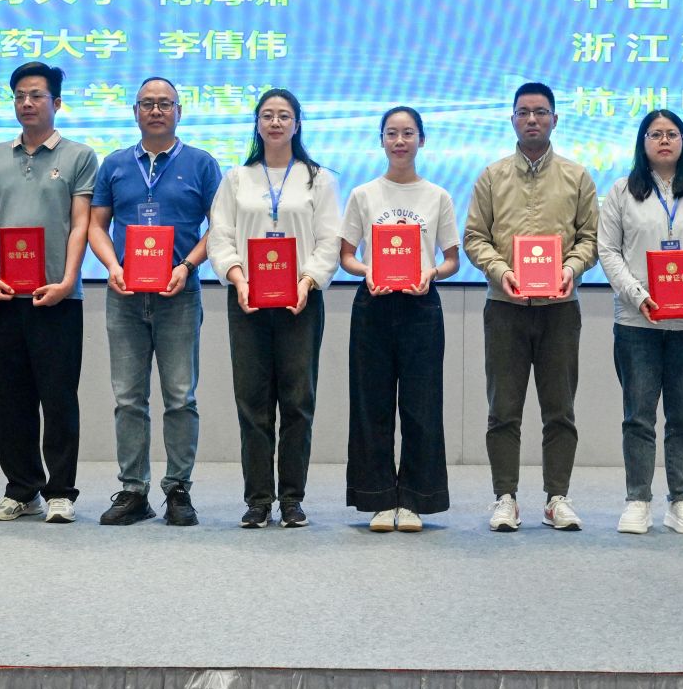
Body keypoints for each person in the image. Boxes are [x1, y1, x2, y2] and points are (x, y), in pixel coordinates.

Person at [462, 82, 600, 532]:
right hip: (505, 306)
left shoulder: (577, 176)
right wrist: (500, 269)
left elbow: (591, 239)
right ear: (512, 120)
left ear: (555, 119)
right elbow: (474, 237)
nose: (532, 119)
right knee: (503, 409)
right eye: (523, 112)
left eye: (541, 112)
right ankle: (505, 498)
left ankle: (557, 498)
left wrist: (570, 268)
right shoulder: (492, 176)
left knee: (560, 409)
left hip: (560, 308)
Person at [86, 77, 222, 529]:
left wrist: (187, 265)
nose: (157, 110)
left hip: (179, 293)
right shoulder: (115, 164)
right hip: (125, 294)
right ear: (135, 112)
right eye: (148, 103)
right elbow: (96, 225)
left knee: (181, 397)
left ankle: (178, 489)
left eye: (165, 103)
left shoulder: (202, 163)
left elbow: (219, 228)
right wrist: (112, 266)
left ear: (179, 111)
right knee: (129, 398)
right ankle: (133, 491)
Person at [206, 88, 342, 528]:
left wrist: (307, 280)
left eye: (284, 115)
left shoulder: (319, 179)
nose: (276, 122)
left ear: (297, 124)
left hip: (301, 301)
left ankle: (292, 499)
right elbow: (220, 236)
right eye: (267, 115)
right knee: (252, 402)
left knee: (298, 402)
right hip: (247, 300)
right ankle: (258, 499)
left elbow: (329, 241)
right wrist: (238, 278)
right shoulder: (236, 178)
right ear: (257, 124)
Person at [0, 61, 97, 524]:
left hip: (57, 296)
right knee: (10, 397)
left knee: (59, 397)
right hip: (3, 295)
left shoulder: (80, 156)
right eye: (20, 95)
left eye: (37, 95)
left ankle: (61, 491)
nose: (27, 103)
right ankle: (21, 489)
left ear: (56, 102)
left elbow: (81, 223)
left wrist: (68, 279)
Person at [599, 109, 683, 535]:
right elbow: (608, 251)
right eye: (655, 134)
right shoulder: (622, 191)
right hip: (637, 323)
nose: (663, 141)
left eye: (672, 134)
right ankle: (638, 500)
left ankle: (682, 500)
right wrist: (637, 295)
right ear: (642, 142)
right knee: (638, 416)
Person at [338, 106, 460, 531]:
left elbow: (452, 260)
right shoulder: (364, 194)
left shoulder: (438, 195)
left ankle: (414, 500)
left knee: (421, 405)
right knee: (370, 404)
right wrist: (367, 270)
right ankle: (378, 499)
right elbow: (346, 255)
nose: (400, 141)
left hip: (420, 306)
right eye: (391, 133)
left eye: (408, 133)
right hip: (373, 303)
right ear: (381, 141)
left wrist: (432, 273)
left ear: (421, 140)